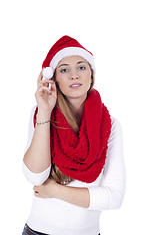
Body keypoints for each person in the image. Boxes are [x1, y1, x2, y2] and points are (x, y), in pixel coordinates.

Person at [22, 35, 126, 235]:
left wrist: (55, 191)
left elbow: (114, 197)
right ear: (53, 79)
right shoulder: (41, 114)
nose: (74, 75)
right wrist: (44, 111)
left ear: (91, 75)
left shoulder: (110, 126)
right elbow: (35, 175)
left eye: (81, 67)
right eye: (64, 69)